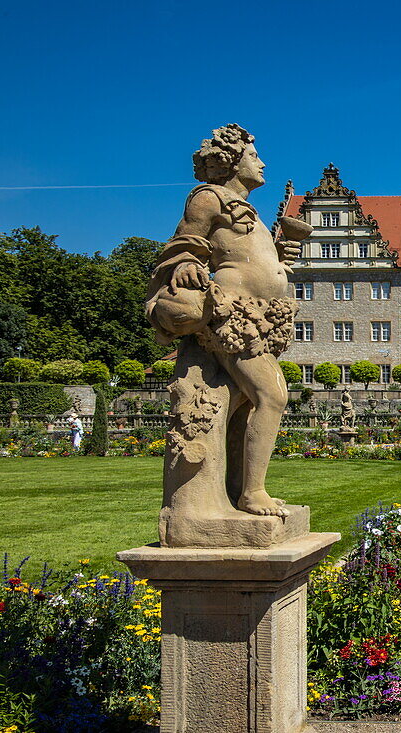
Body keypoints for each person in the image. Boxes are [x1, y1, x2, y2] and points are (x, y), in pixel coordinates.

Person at [146, 124, 306, 518]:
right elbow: (185, 241)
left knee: (243, 405)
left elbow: (254, 260)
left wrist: (282, 258)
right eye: (254, 156)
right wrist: (184, 262)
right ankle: (253, 493)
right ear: (232, 161)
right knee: (272, 396)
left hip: (262, 318)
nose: (262, 162)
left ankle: (235, 491)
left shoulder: (250, 211)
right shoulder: (208, 197)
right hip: (232, 316)